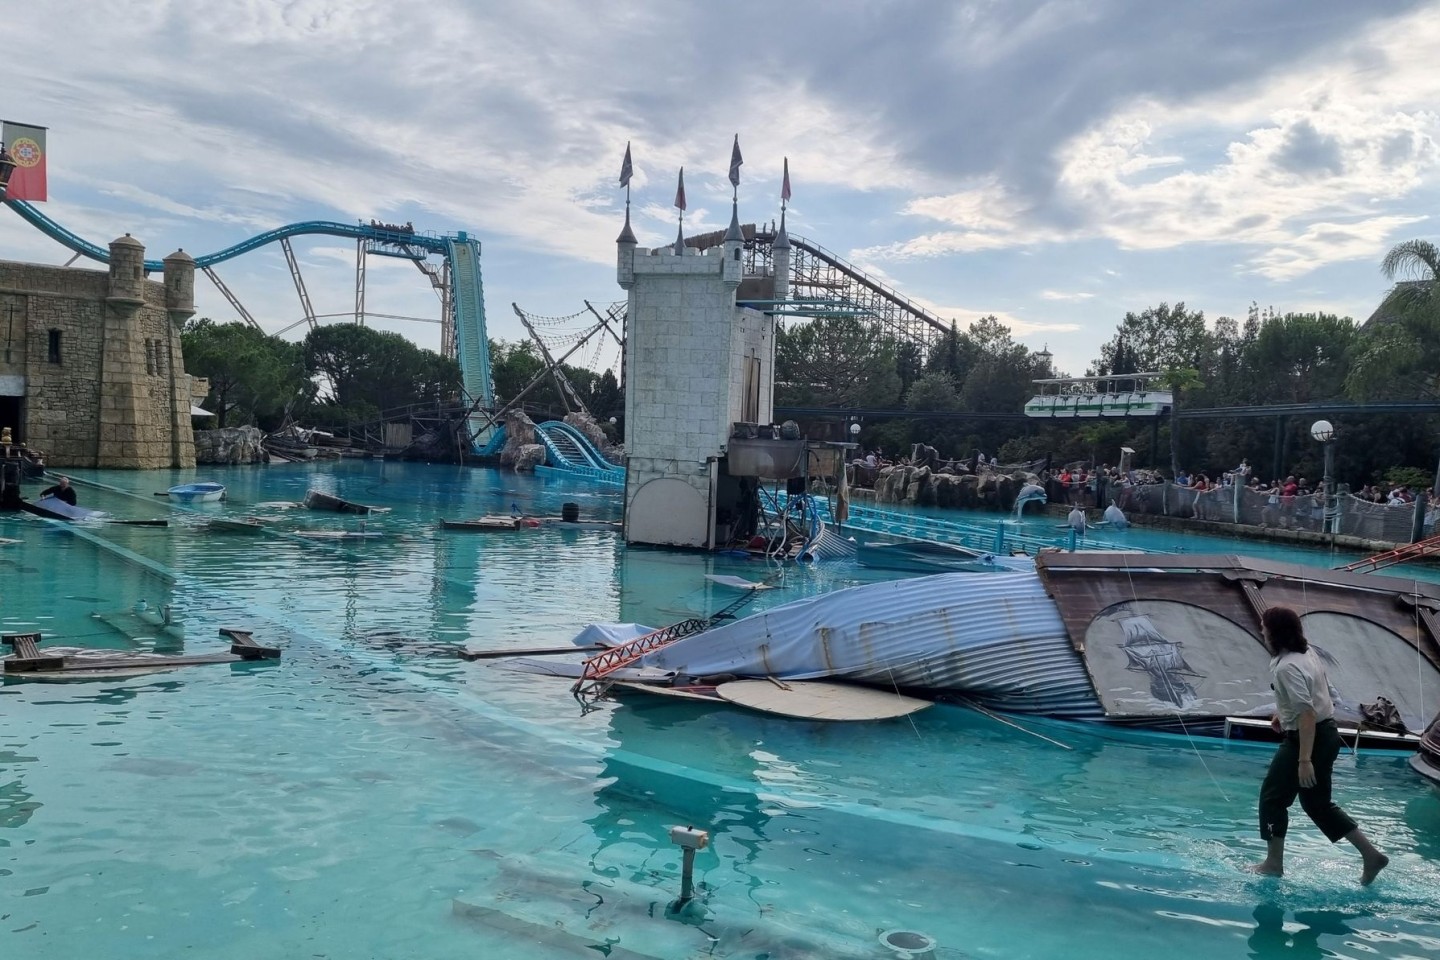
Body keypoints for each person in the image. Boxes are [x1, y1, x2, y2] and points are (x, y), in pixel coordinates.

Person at [1249, 606, 1389, 885]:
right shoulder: (1305, 652)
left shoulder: (1288, 666)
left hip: (1307, 738)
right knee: (1317, 803)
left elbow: (1308, 714)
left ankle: (1273, 863)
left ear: (1274, 632)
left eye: (1264, 627)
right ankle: (1372, 855)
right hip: (1326, 733)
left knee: (1273, 798)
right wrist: (1283, 713)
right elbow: (1320, 691)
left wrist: (1303, 760)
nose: (1261, 630)